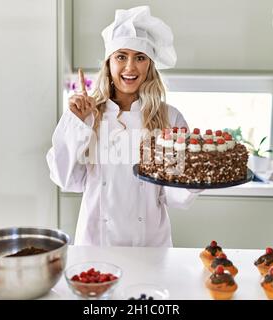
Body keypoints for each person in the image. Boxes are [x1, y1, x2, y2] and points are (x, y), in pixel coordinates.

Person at [47, 6, 200, 247]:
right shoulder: (87, 114)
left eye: (140, 58)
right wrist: (75, 123)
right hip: (96, 245)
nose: (130, 67)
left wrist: (197, 173)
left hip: (150, 247)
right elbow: (66, 179)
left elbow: (176, 196)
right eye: (121, 56)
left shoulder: (170, 118)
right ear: (108, 63)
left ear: (149, 65)